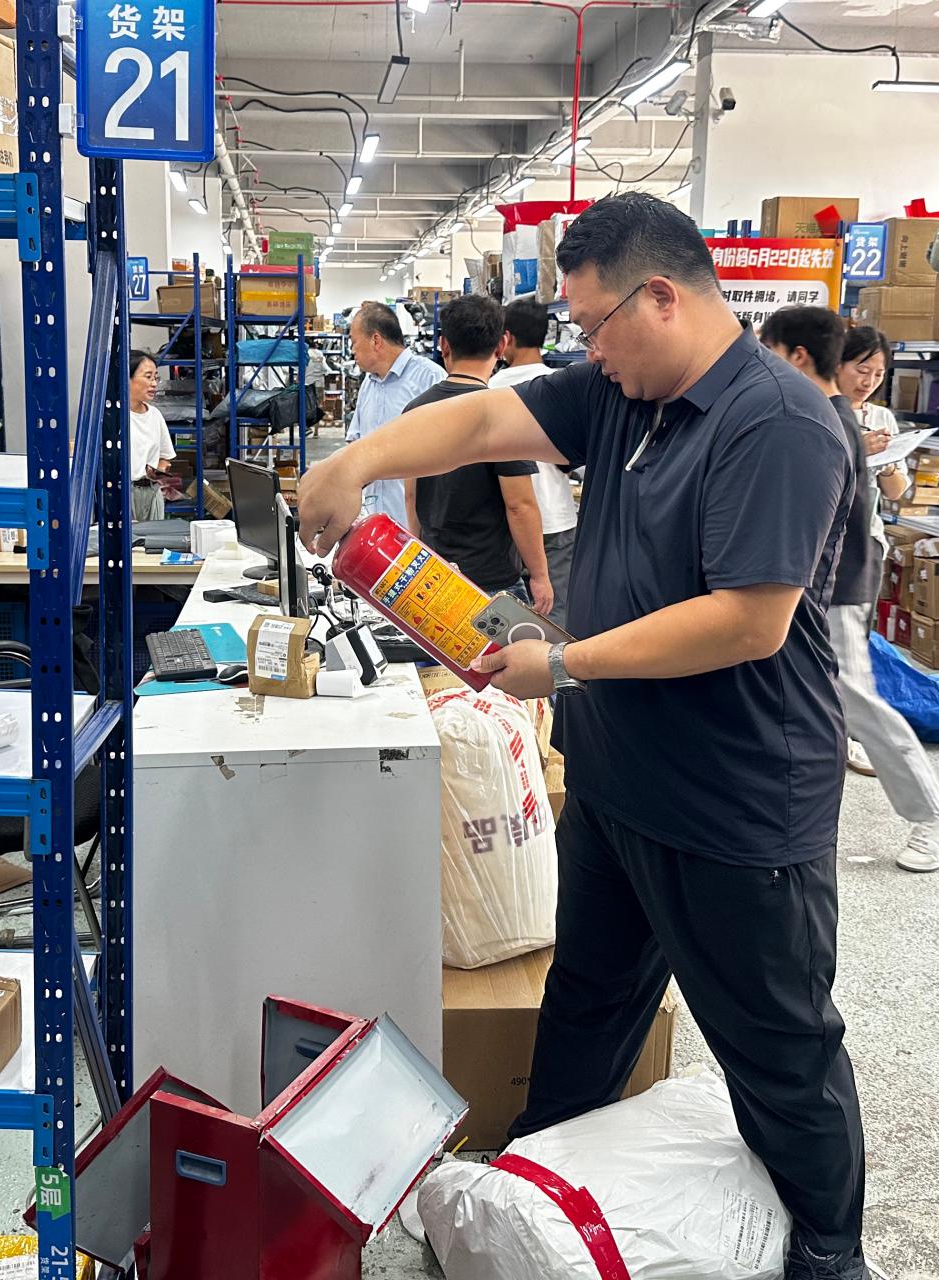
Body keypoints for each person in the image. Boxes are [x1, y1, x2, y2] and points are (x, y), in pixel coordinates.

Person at [299, 193, 867, 1280]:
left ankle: (831, 1253)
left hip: (736, 803)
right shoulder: (624, 394)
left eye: (595, 324)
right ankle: (530, 1191)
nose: (586, 351)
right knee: (588, 1003)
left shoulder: (780, 423)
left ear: (661, 297)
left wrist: (564, 663)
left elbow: (749, 620)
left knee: (777, 1045)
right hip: (617, 784)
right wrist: (354, 462)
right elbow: (480, 422)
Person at [762, 308, 939, 872]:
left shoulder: (827, 421)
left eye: (769, 352)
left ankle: (937, 812)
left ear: (797, 356)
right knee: (814, 696)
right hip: (813, 581)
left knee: (855, 696)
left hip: (835, 584)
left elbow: (834, 520)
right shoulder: (825, 415)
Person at [400, 293, 555, 613]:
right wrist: (540, 575)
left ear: (444, 345)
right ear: (501, 345)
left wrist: (420, 556)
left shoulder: (415, 412)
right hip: (492, 581)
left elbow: (411, 495)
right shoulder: (504, 414)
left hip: (437, 575)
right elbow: (520, 505)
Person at [835, 325, 911, 777]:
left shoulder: (881, 418)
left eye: (878, 374)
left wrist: (885, 463)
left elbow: (898, 491)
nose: (869, 381)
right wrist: (856, 449)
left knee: (855, 641)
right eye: (862, 370)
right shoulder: (819, 408)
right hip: (823, 543)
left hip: (867, 541)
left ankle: (847, 734)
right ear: (838, 364)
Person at [491, 295, 580, 628]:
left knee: (507, 620)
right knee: (557, 618)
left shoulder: (490, 390)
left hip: (506, 524)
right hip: (556, 516)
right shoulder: (566, 386)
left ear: (506, 338)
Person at [347, 300, 444, 527]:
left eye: (354, 342)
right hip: (375, 521)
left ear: (376, 340)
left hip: (417, 524)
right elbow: (356, 443)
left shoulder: (430, 378)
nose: (352, 350)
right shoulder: (368, 384)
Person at [127, 350, 179, 522]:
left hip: (151, 492)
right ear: (127, 378)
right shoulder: (114, 417)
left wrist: (158, 471)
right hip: (124, 493)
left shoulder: (155, 415)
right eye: (148, 377)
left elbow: (165, 457)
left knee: (154, 537)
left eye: (156, 377)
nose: (154, 383)